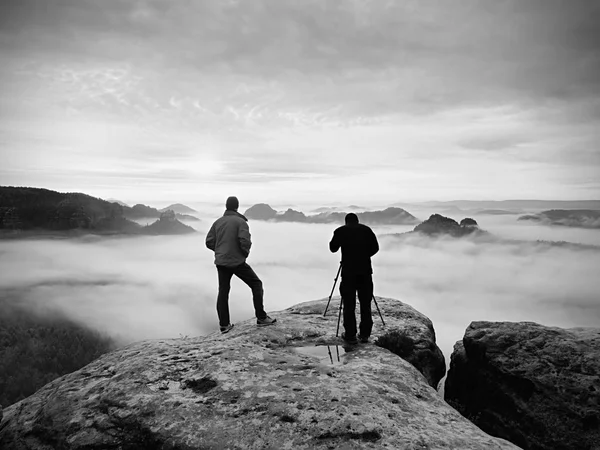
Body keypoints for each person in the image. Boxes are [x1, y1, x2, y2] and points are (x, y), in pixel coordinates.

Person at [206, 196, 276, 333]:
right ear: (237, 207)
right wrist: (243, 254)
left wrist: (220, 251)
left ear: (226, 206)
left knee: (223, 292)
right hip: (236, 261)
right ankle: (261, 318)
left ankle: (224, 325)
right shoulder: (240, 222)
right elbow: (244, 241)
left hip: (221, 262)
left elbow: (209, 241)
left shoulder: (218, 222)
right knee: (256, 284)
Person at [329, 213, 379, 344]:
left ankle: (350, 335)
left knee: (349, 304)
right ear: (357, 221)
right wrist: (364, 255)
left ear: (346, 222)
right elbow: (376, 248)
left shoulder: (340, 231)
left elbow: (333, 248)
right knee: (365, 304)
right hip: (365, 272)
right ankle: (365, 334)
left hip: (348, 273)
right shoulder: (366, 230)